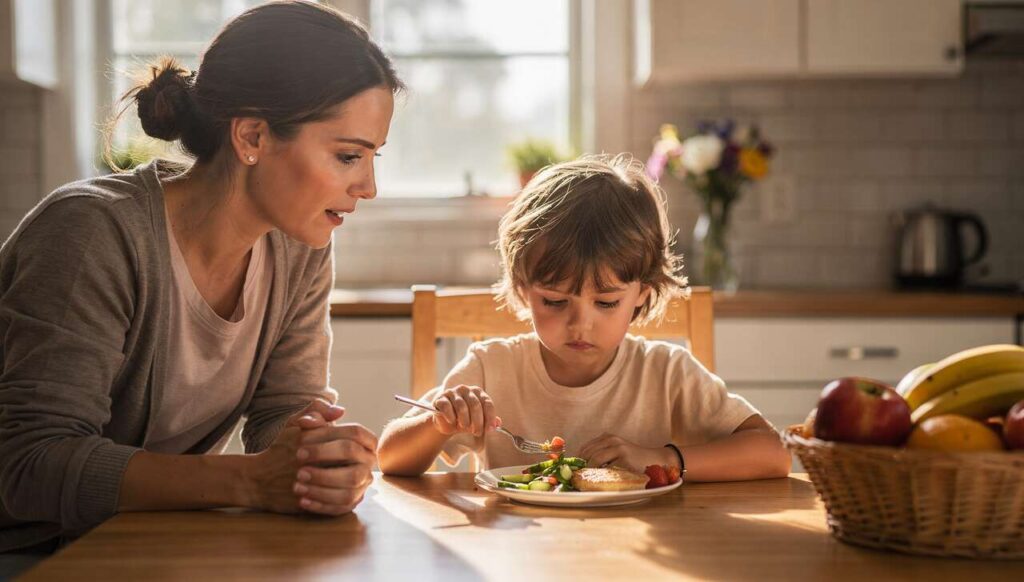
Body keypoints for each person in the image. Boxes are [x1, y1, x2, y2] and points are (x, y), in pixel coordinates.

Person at [0, 0, 402, 561]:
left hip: (142, 543)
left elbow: (283, 409)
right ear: (253, 138)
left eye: (372, 156)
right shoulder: (91, 233)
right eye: (347, 156)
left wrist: (314, 455)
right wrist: (252, 482)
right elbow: (31, 464)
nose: (369, 186)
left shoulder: (300, 245)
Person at [377, 155, 791, 481]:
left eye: (606, 303)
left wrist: (663, 458)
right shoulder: (490, 369)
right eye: (555, 301)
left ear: (641, 295)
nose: (580, 324)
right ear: (523, 289)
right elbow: (390, 459)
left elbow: (773, 454)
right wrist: (438, 423)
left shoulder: (667, 373)